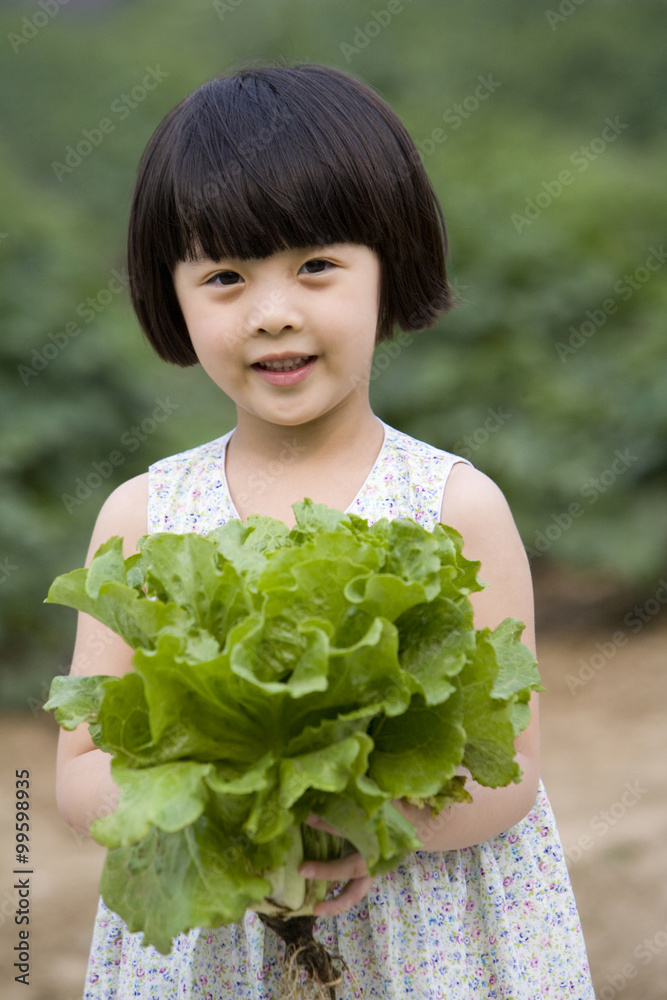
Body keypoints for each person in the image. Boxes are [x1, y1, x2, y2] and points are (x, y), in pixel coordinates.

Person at [55, 61, 595, 999]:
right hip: (216, 935)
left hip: (432, 943)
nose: (272, 313)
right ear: (170, 296)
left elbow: (505, 775)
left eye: (315, 265)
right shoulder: (142, 517)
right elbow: (78, 767)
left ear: (391, 266)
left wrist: (358, 823)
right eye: (224, 275)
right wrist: (225, 816)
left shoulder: (456, 508)